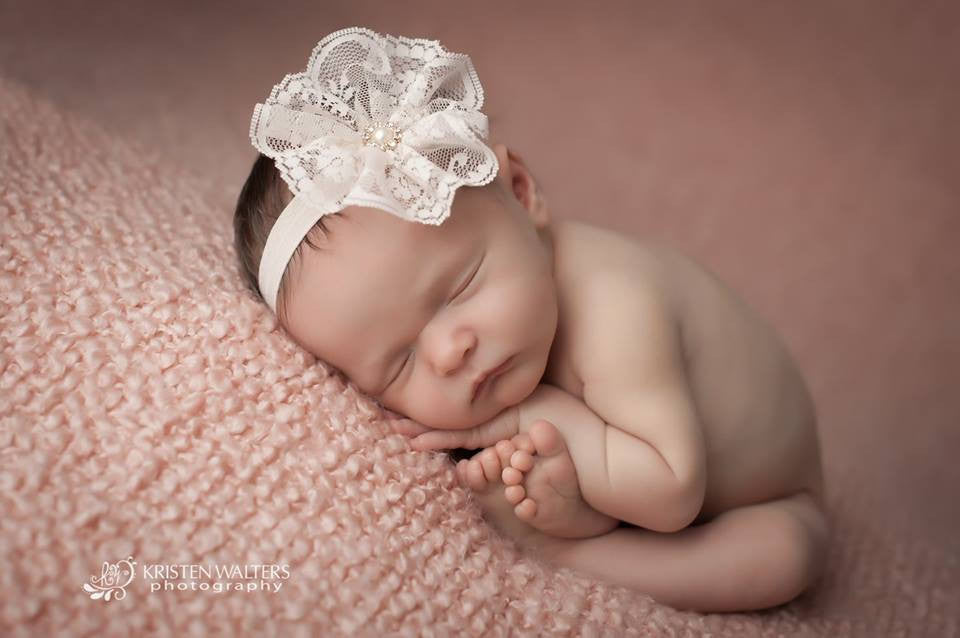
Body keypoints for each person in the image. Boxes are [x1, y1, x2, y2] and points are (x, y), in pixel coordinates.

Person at [234, 27, 829, 613]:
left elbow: (672, 490)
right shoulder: (513, 335)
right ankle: (577, 520)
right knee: (562, 478)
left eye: (459, 288)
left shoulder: (614, 303)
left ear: (521, 193)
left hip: (752, 495)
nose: (449, 353)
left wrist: (528, 413)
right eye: (399, 364)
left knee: (783, 557)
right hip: (629, 465)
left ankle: (563, 556)